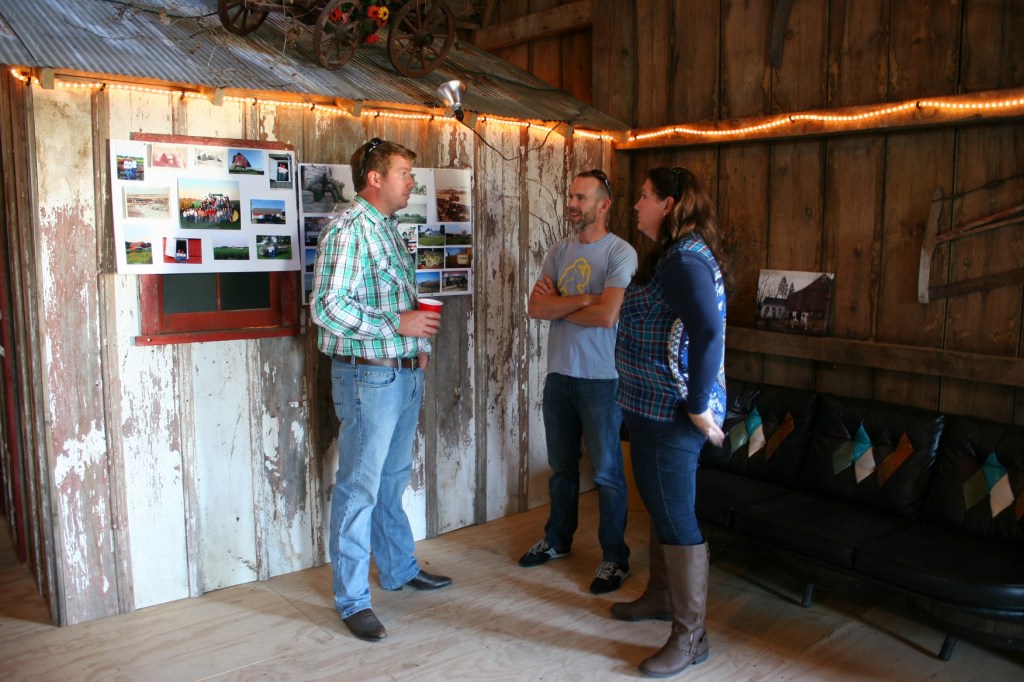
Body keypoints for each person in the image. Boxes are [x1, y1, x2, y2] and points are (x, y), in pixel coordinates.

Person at [310, 138, 452, 643]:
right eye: (404, 173)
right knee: (359, 488)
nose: (411, 181)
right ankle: (352, 599)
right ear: (375, 178)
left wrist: (413, 343)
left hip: (400, 371)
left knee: (392, 481)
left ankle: (397, 568)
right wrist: (399, 323)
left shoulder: (388, 230)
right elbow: (327, 308)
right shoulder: (347, 229)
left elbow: (391, 304)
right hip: (367, 376)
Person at [612, 167, 729, 678]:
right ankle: (661, 596)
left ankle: (691, 638)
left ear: (670, 202)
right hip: (648, 407)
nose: (636, 205)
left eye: (644, 197)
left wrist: (700, 405)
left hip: (671, 412)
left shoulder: (684, 260)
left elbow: (709, 331)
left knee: (677, 519)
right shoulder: (672, 257)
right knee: (659, 507)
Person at [519, 169, 638, 595]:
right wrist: (585, 298)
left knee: (607, 474)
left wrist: (562, 306)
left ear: (604, 205)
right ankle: (557, 541)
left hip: (603, 382)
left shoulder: (620, 253)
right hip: (559, 377)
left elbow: (608, 316)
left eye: (581, 198)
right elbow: (535, 308)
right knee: (562, 470)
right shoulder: (559, 250)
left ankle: (614, 559)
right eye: (571, 196)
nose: (572, 204)